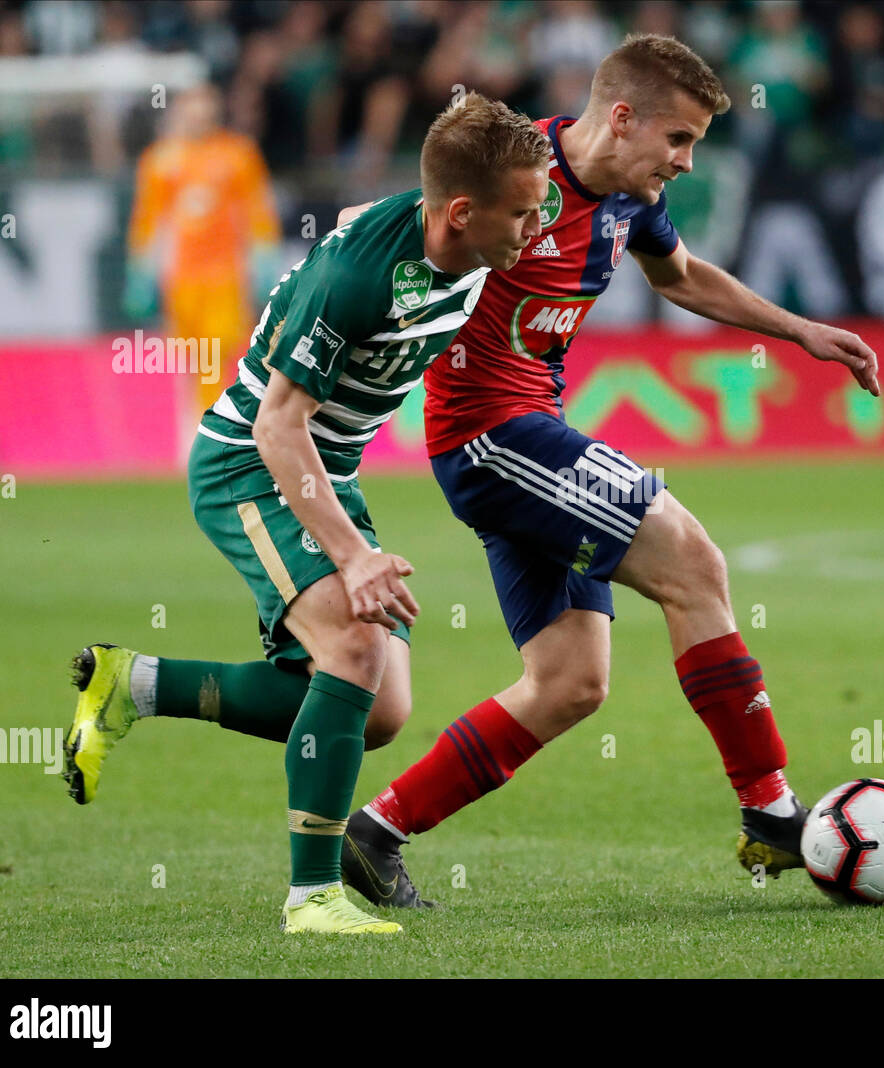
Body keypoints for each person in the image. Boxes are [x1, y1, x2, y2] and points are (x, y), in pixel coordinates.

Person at [338, 34, 879, 909]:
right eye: (679, 139)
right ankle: (772, 812)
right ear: (621, 117)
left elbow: (684, 278)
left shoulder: (629, 199)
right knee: (694, 565)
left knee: (569, 685)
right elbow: (424, 227)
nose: (687, 162)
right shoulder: (519, 178)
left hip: (524, 436)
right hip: (491, 435)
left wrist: (801, 332)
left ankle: (375, 834)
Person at [63, 93, 550, 934]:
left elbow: (376, 209)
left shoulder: (466, 231)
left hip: (326, 467)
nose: (536, 228)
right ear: (462, 212)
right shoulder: (357, 277)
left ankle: (133, 685)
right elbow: (276, 424)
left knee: (381, 708)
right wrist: (353, 555)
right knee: (356, 648)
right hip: (253, 463)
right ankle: (312, 897)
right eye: (523, 212)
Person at [125, 83, 282, 417]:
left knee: (218, 350)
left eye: (205, 108)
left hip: (225, 275)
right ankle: (194, 426)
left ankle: (212, 423)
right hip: (180, 277)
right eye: (191, 108)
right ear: (180, 112)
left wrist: (265, 257)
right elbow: (148, 219)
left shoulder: (238, 154)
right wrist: (140, 270)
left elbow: (258, 210)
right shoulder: (159, 159)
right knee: (190, 357)